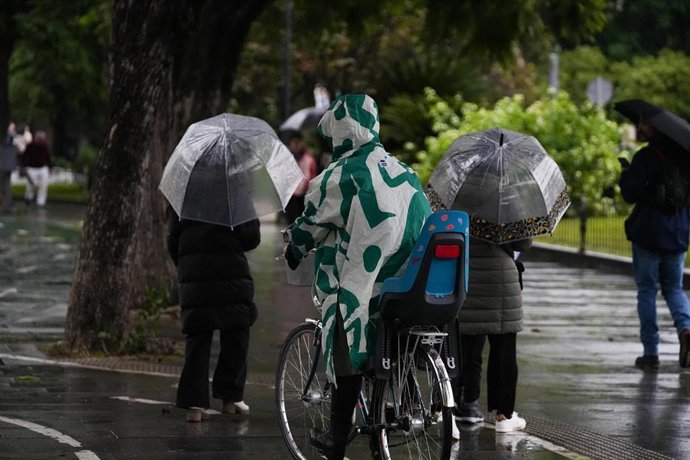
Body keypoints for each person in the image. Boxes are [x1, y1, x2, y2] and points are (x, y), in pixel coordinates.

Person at [284, 93, 431, 459]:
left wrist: (292, 249)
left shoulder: (340, 174)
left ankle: (337, 436)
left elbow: (312, 223)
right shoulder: (404, 171)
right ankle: (405, 400)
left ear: (340, 132)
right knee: (393, 338)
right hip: (410, 285)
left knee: (344, 335)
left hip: (369, 286)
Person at [427, 185, 530, 432]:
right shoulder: (507, 197)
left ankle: (466, 404)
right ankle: (504, 415)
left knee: (466, 342)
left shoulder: (454, 195)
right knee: (504, 349)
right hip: (500, 279)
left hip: (464, 273)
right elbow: (523, 242)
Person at [166, 207, 261, 422]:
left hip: (195, 274)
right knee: (237, 331)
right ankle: (231, 397)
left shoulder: (185, 191)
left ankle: (194, 404)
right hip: (231, 273)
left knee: (198, 337)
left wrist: (186, 263)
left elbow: (173, 240)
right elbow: (251, 238)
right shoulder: (234, 188)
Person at [619, 119, 690, 371]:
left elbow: (629, 193)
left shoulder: (645, 157)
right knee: (674, 288)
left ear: (656, 130)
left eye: (645, 125)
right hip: (678, 234)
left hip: (649, 234)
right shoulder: (684, 157)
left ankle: (651, 352)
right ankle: (686, 329)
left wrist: (626, 174)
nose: (639, 127)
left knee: (647, 290)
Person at [282, 129, 317, 224]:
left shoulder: (308, 158)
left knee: (301, 218)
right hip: (290, 193)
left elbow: (312, 175)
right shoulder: (287, 157)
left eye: (298, 142)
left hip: (304, 192)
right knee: (291, 220)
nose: (296, 145)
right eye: (294, 142)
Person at [22, 130, 52, 207]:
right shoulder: (30, 145)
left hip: (42, 167)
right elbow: (24, 156)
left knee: (43, 185)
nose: (40, 140)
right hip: (32, 168)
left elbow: (48, 157)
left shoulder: (44, 146)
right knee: (30, 185)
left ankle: (41, 202)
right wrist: (24, 166)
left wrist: (49, 167)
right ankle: (29, 198)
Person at [1, 123, 18, 212]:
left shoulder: (9, 136)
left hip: (5, 164)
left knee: (5, 185)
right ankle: (7, 205)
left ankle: (7, 205)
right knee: (6, 186)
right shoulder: (10, 137)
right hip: (7, 164)